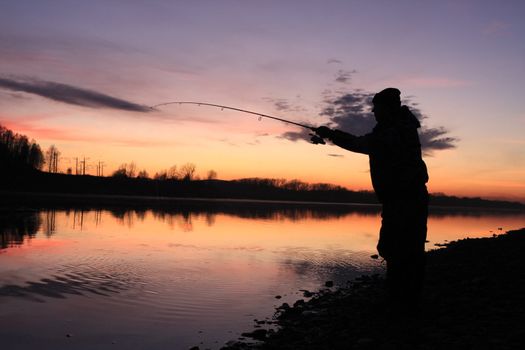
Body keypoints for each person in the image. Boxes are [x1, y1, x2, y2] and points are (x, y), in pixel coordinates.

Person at [314, 88, 429, 314]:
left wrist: (331, 134)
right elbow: (367, 142)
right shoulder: (398, 126)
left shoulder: (395, 130)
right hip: (405, 197)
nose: (374, 112)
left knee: (397, 249)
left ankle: (402, 303)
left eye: (376, 108)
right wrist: (332, 134)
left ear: (387, 108)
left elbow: (363, 144)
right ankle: (405, 300)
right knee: (406, 249)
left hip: (403, 198)